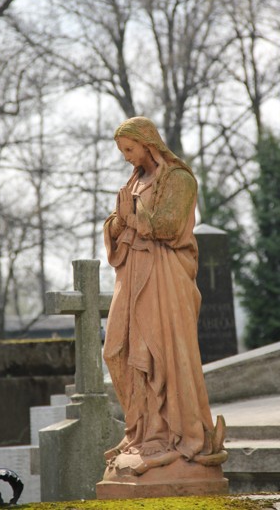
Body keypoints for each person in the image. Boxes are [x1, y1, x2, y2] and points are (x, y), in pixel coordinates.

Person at [103, 116, 225, 472]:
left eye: (129, 149)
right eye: (122, 151)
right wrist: (119, 221)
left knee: (161, 354)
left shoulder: (179, 179)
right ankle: (140, 431)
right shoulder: (134, 181)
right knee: (117, 350)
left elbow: (169, 226)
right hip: (131, 274)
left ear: (148, 143)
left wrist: (132, 216)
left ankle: (169, 434)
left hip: (164, 276)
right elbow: (116, 223)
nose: (126, 157)